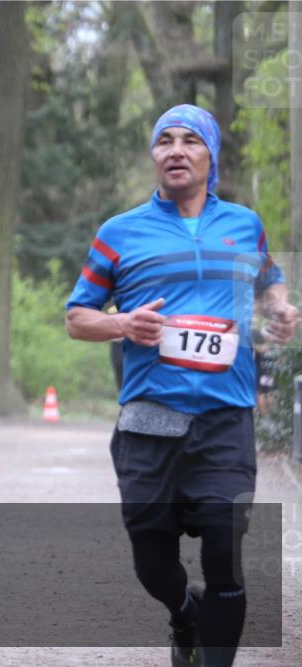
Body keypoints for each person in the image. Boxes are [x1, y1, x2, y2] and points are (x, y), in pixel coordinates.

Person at [64, 104, 300, 667]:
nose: (175, 150)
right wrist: (122, 323)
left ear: (210, 155)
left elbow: (270, 277)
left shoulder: (244, 224)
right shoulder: (119, 232)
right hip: (150, 419)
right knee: (152, 560)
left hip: (226, 417)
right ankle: (183, 615)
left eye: (190, 140)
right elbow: (77, 317)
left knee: (226, 552)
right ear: (153, 157)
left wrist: (281, 308)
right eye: (164, 141)